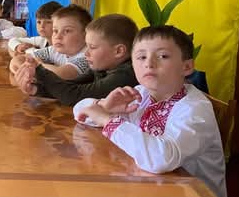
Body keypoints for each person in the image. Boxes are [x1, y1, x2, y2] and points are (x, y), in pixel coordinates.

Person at [73, 25, 226, 197]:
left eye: (163, 56)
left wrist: (107, 120)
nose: (149, 63)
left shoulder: (195, 109)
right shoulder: (141, 93)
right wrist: (104, 106)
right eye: (141, 57)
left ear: (187, 66)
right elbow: (80, 111)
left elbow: (161, 159)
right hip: (146, 185)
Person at [14, 13, 139, 105]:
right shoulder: (103, 67)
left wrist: (39, 70)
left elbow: (75, 95)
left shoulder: (125, 75)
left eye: (92, 47)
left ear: (119, 51)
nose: (86, 53)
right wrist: (35, 89)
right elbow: (70, 86)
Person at [9, 4, 91, 79]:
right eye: (55, 31)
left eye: (67, 31)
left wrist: (36, 65)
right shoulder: (54, 50)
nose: (58, 36)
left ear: (85, 35)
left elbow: (61, 74)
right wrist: (26, 72)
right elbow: (16, 60)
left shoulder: (88, 57)